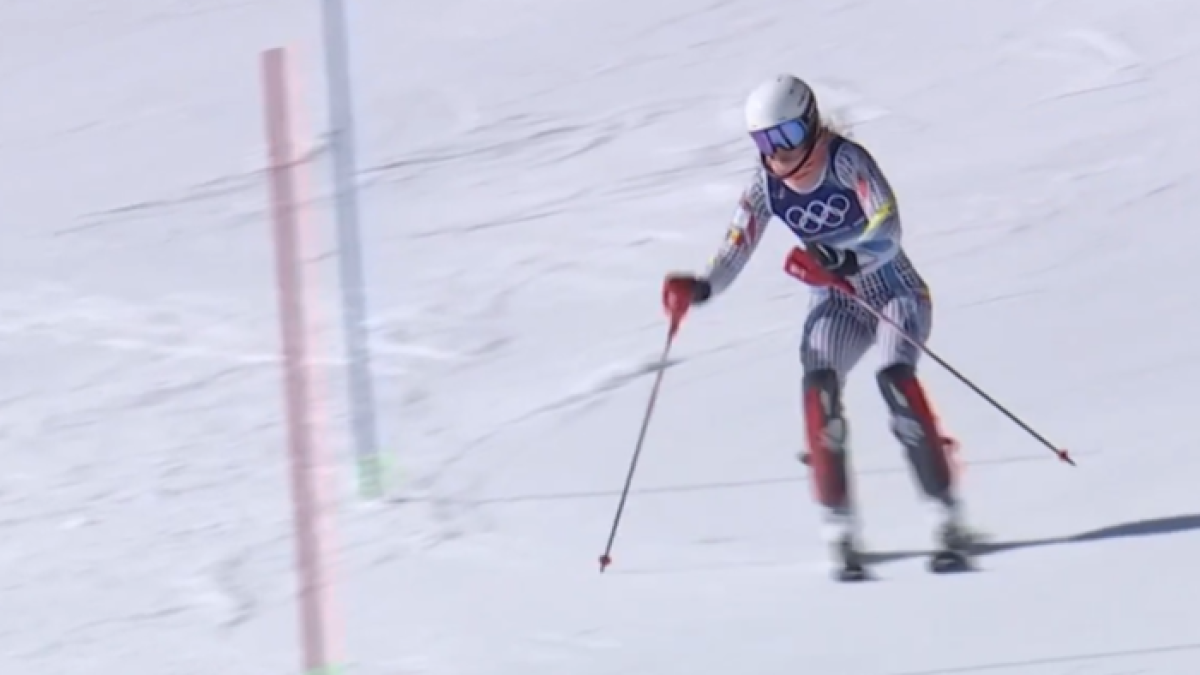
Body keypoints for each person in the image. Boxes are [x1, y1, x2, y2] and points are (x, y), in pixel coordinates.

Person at [661, 73, 971, 576]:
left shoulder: (847, 161)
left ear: (809, 125)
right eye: (765, 142)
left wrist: (839, 259)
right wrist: (700, 287)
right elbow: (735, 249)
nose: (778, 154)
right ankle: (839, 524)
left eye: (786, 138)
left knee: (896, 380)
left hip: (894, 292)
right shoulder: (765, 186)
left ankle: (945, 515)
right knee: (819, 390)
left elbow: (887, 229)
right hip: (835, 303)